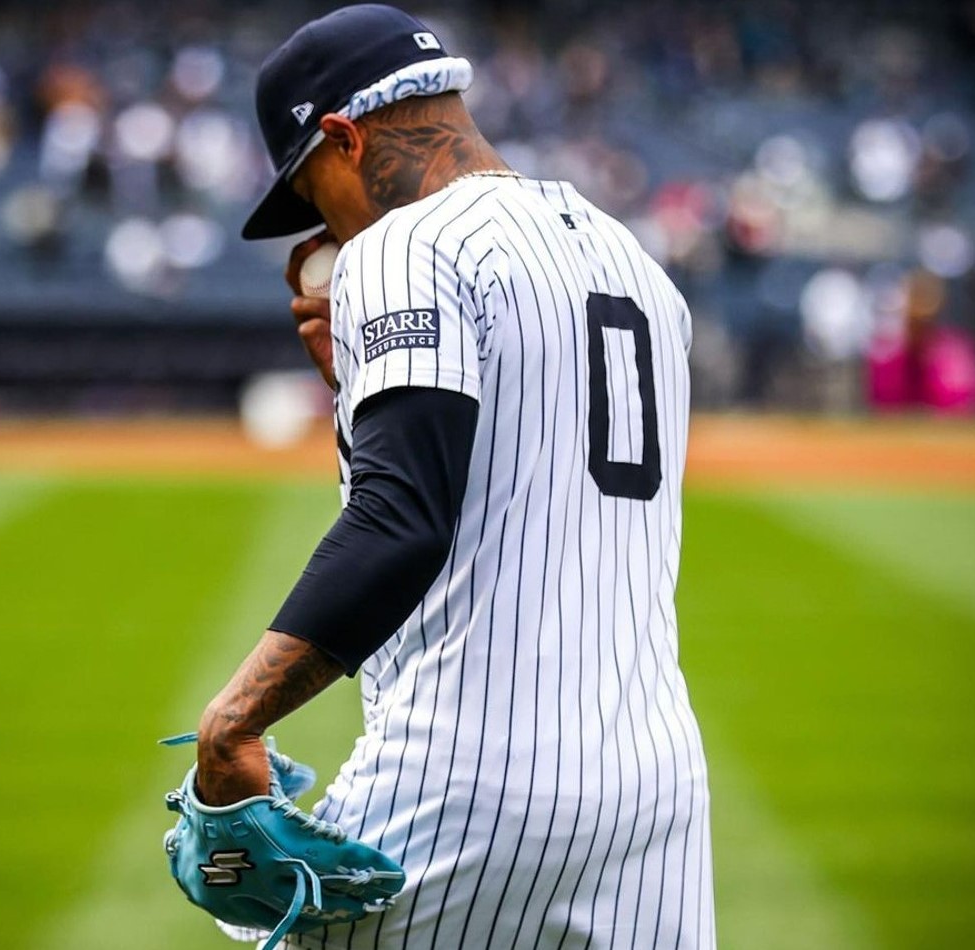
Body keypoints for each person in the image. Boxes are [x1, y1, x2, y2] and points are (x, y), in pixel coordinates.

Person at [195, 5, 715, 947]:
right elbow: (500, 478)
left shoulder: (404, 243)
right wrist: (359, 393)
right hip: (654, 793)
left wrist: (233, 723)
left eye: (314, 194)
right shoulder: (635, 261)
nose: (321, 226)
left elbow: (403, 520)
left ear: (345, 137)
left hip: (464, 783)